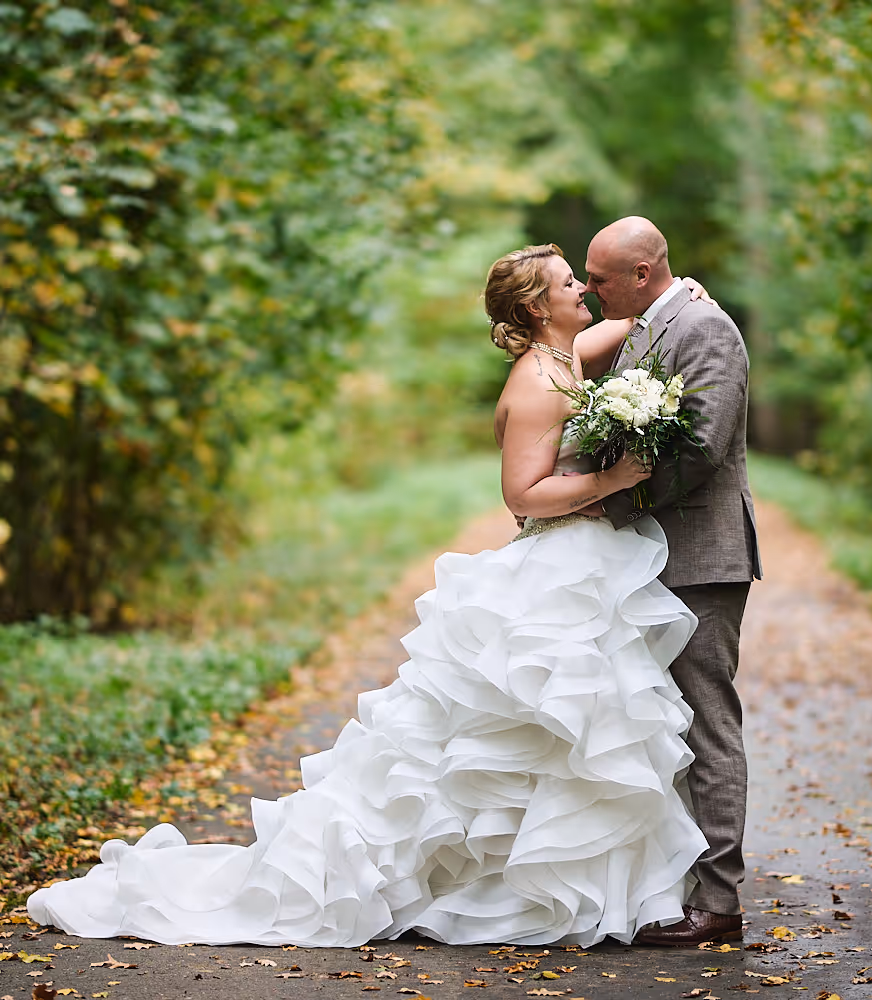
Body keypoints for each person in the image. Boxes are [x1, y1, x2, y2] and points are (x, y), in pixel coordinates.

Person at [27, 241, 719, 949]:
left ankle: (542, 881)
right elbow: (522, 493)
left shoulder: (566, 355)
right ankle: (478, 878)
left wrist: (673, 295)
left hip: (585, 563)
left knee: (568, 733)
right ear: (540, 307)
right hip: (555, 565)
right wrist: (611, 479)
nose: (586, 290)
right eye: (571, 282)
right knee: (533, 728)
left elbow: (623, 329)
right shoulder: (539, 381)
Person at [583, 216, 762, 946]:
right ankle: (667, 883)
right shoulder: (648, 324)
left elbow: (703, 447)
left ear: (643, 272)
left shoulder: (705, 328)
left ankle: (719, 903)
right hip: (653, 556)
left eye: (599, 279)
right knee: (656, 722)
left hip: (701, 559)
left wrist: (617, 505)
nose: (591, 292)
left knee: (708, 722)